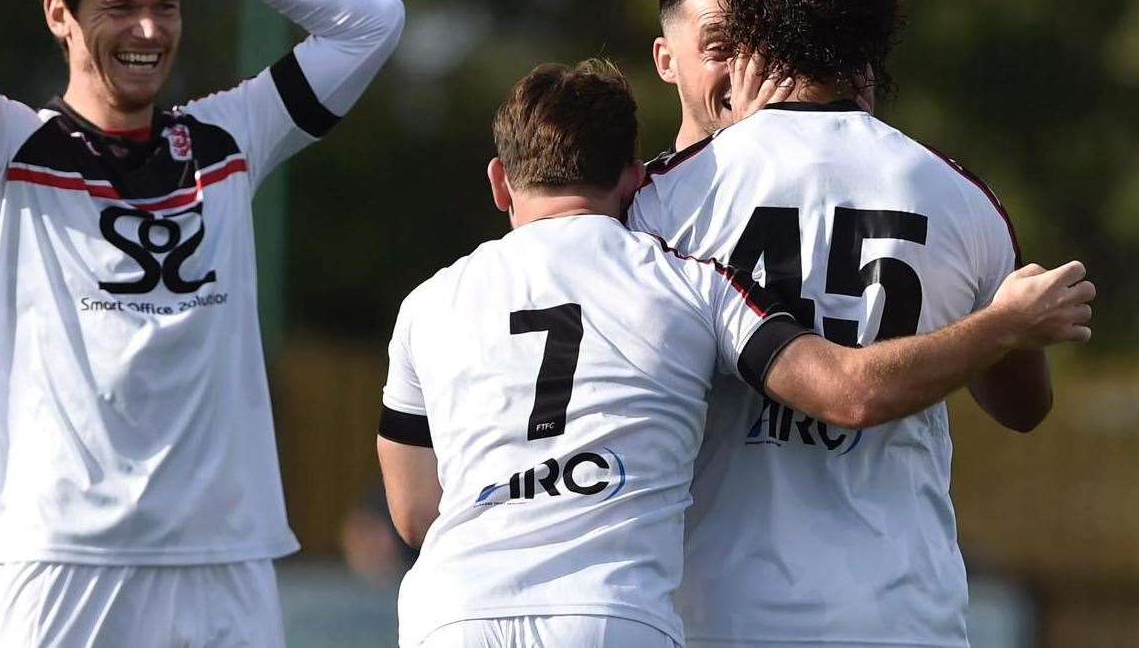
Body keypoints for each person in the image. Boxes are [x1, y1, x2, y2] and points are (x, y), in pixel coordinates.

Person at [376, 60, 1092, 648]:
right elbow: (847, 391)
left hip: (450, 611)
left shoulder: (427, 306)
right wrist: (1002, 324)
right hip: (609, 614)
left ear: (500, 180)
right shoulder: (687, 284)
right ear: (632, 179)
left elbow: (414, 513)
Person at [0, 0, 404, 646]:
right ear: (60, 15)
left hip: (224, 556)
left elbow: (373, 20)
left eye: (168, 5)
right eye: (121, 6)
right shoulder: (3, 150)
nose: (150, 30)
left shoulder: (231, 136)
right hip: (64, 558)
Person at [630, 0, 1061, 647]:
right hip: (903, 614)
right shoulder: (960, 198)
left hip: (720, 614)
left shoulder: (670, 198)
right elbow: (1022, 407)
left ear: (752, 29)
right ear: (878, 34)